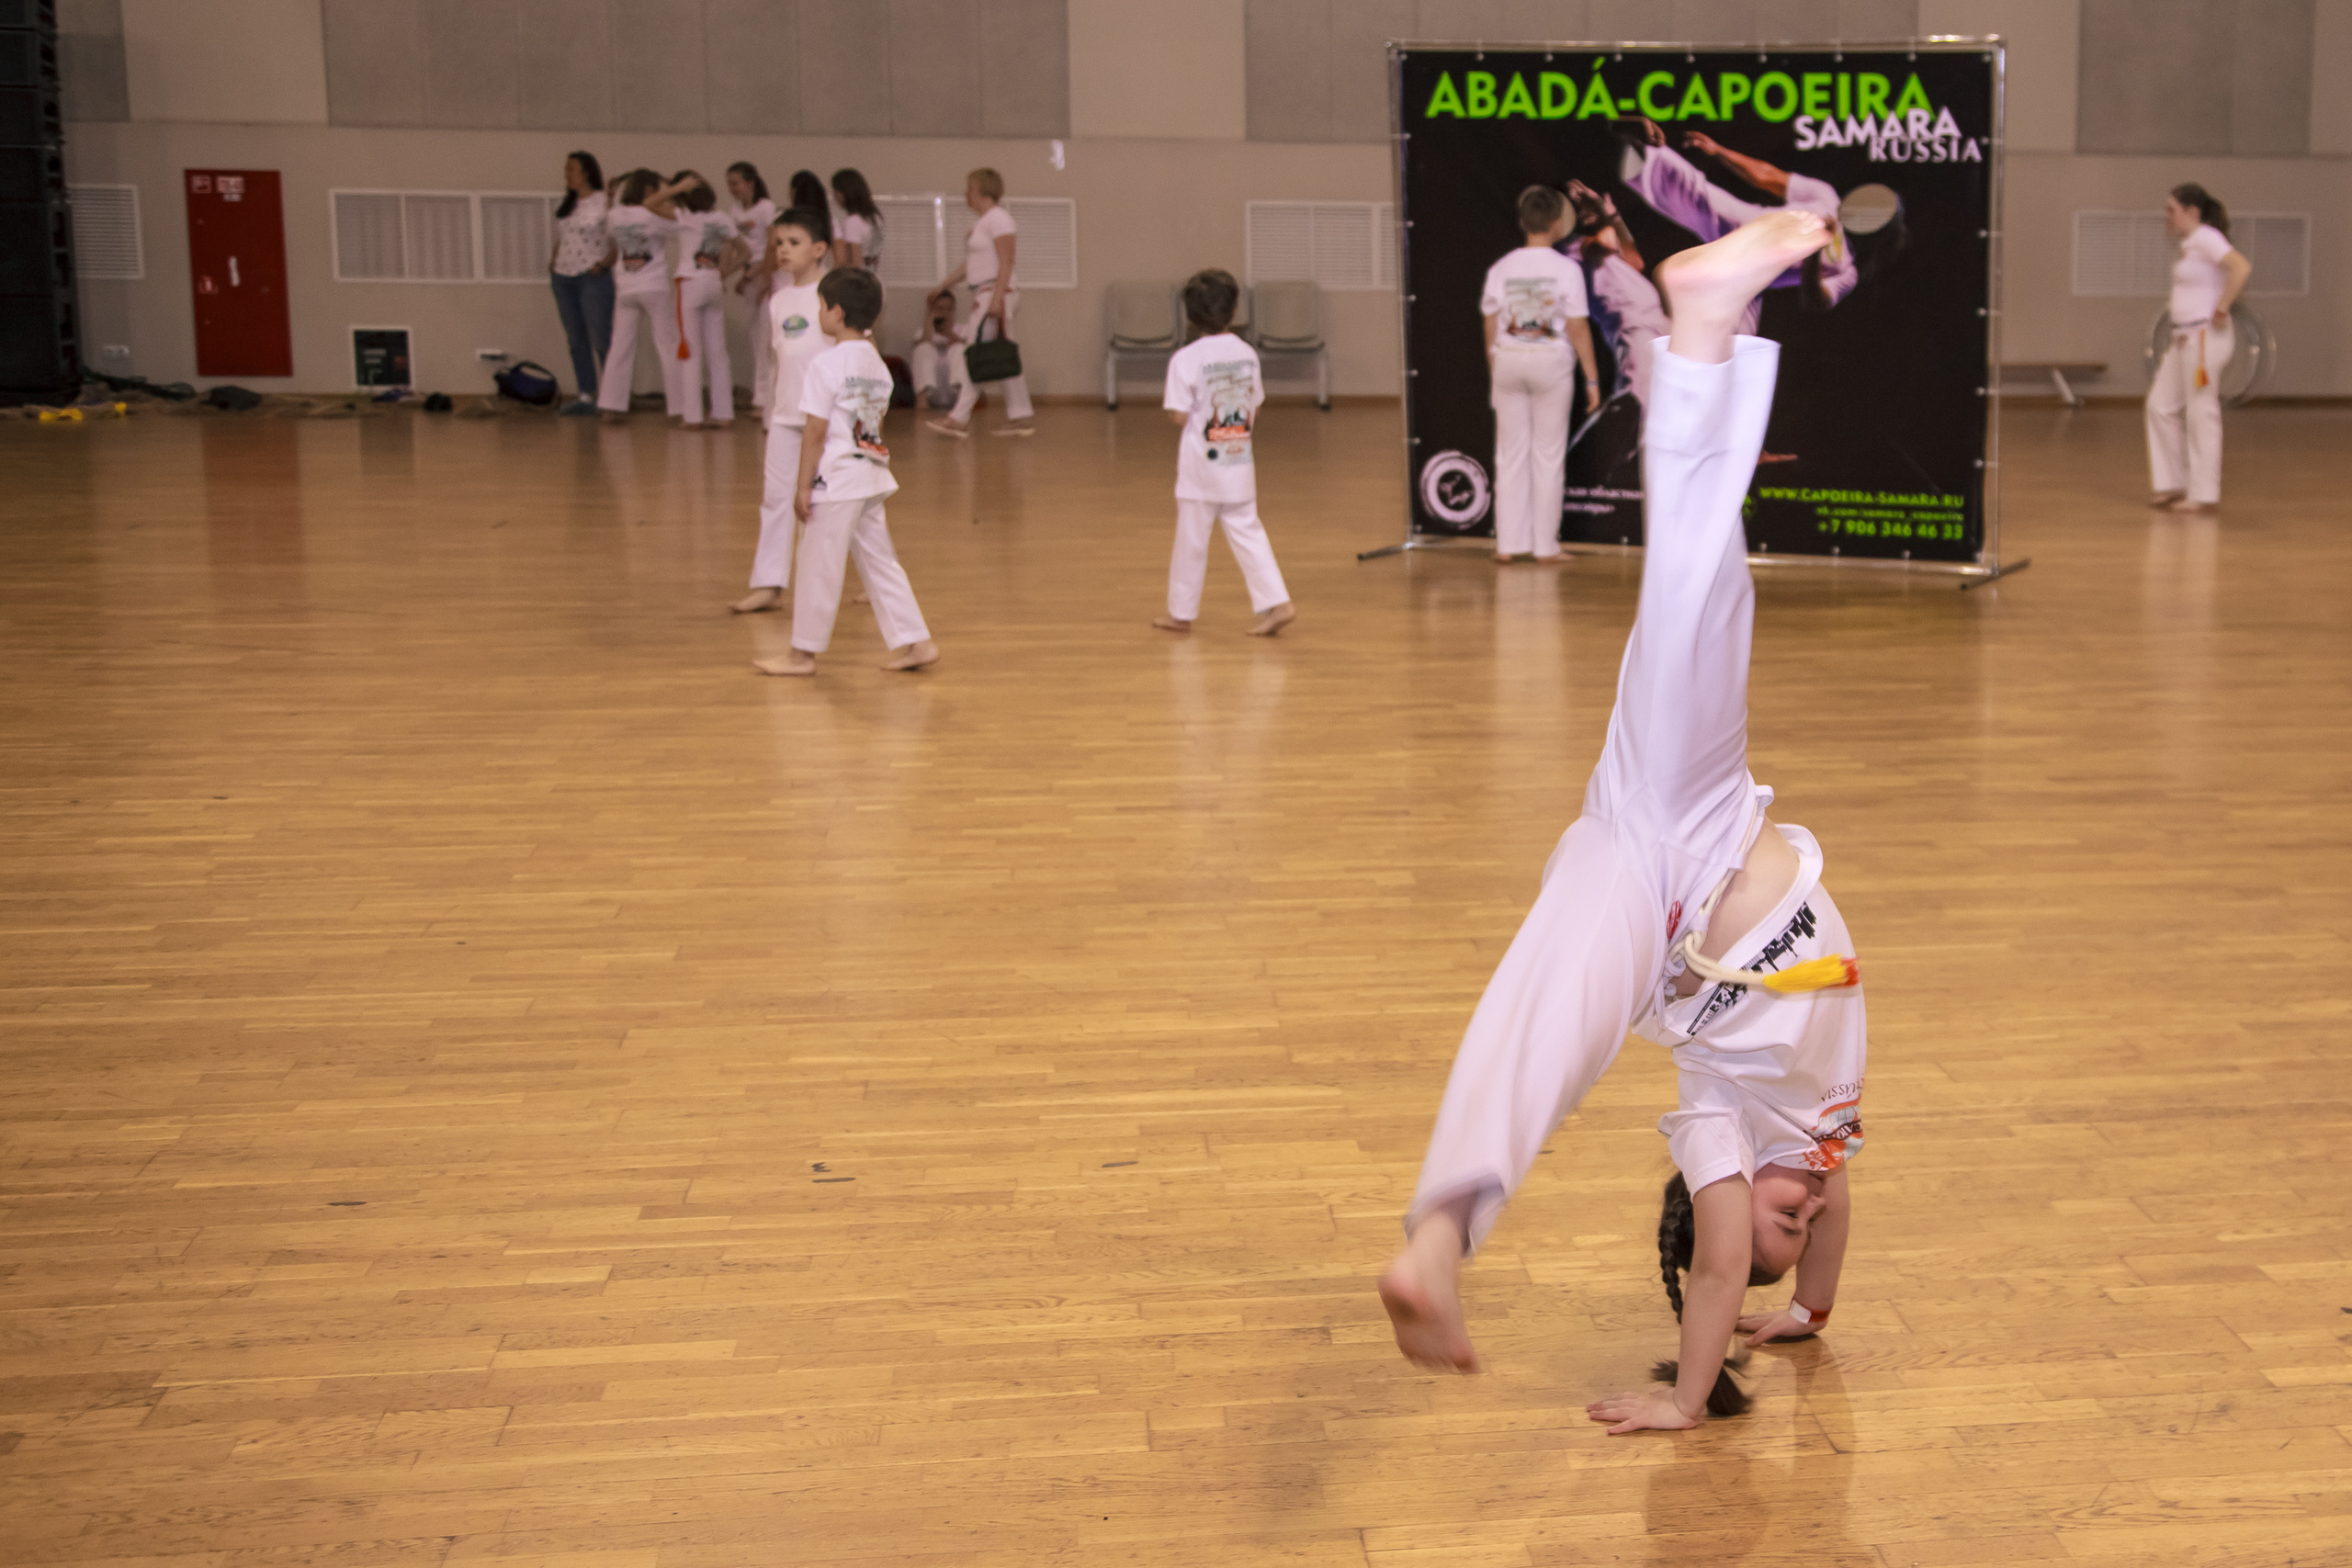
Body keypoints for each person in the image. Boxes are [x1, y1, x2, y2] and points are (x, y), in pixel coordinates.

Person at [1376, 211, 1867, 1435]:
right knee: (1704, 588)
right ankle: (1701, 326)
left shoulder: (1714, 1129)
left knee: (1547, 1013)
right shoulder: (1825, 1142)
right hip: (1709, 818)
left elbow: (1712, 1269)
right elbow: (1827, 1228)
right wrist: (1806, 1310)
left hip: (1652, 875)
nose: (1796, 1216)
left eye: (1777, 1228)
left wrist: (1690, 1401)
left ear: (1713, 1200)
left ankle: (1437, 1234)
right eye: (1795, 1230)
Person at [753, 267, 939, 678]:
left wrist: (803, 485)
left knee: (817, 563)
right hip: (870, 473)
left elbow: (816, 431)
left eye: (820, 306)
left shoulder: (826, 364)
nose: (819, 313)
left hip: (835, 480)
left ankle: (801, 655)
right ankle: (917, 642)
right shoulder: (875, 363)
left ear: (835, 313)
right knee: (880, 562)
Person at [1152, 269, 1295, 638]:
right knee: (1249, 532)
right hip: (1238, 460)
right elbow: (1256, 405)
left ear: (1189, 316)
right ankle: (1279, 603)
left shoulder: (1185, 359)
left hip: (1200, 467)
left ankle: (1180, 614)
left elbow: (1179, 414)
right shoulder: (1247, 354)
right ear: (1234, 312)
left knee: (1191, 540)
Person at [1613, 120, 1860, 331]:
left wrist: (1814, 253)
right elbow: (1767, 176)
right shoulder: (1827, 198)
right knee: (1692, 191)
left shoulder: (1847, 272)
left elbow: (1816, 300)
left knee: (1732, 352)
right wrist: (1719, 151)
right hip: (1747, 225)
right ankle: (1627, 136)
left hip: (1749, 280)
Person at [1482, 185, 1600, 564]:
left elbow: (1489, 323)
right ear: (1556, 224)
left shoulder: (1501, 268)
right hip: (1550, 363)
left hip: (1508, 361)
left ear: (1521, 222)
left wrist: (1494, 367)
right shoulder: (1566, 269)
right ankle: (1545, 546)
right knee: (1547, 455)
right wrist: (1593, 379)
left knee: (1510, 455)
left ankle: (1507, 545)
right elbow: (1579, 327)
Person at [731, 208, 831, 615]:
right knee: (776, 497)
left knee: (836, 501)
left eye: (794, 243)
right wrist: (772, 412)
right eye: (779, 244)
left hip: (828, 418)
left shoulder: (835, 291)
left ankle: (867, 573)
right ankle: (769, 582)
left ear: (819, 249)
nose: (783, 251)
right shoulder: (778, 301)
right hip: (787, 416)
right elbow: (778, 360)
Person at [2147, 184, 2252, 514]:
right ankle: (2172, 482)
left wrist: (2221, 308)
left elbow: (2241, 267)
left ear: (2191, 211)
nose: (2167, 216)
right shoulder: (2191, 244)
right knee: (2159, 406)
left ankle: (2204, 493)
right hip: (2185, 339)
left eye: (2171, 210)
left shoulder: (2207, 237)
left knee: (2200, 412)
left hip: (2205, 340)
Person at [927, 167, 1034, 439]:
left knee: (976, 350)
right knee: (1001, 352)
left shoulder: (999, 219)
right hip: (988, 291)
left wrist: (997, 300)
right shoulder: (987, 221)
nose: (966, 194)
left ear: (981, 190)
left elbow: (1007, 261)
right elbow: (972, 265)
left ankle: (958, 417)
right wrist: (944, 285)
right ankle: (1021, 416)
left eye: (970, 189)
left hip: (995, 292)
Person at [596, 169, 696, 423]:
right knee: (668, 344)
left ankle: (611, 407)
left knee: (620, 346)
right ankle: (679, 407)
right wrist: (674, 191)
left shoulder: (615, 215)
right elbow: (681, 227)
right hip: (652, 286)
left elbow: (607, 233)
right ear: (650, 191)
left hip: (625, 287)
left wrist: (610, 199)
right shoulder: (652, 216)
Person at [1567, 179, 1669, 410]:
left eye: (1582, 198)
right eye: (1575, 202)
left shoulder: (1599, 241)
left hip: (1660, 324)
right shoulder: (1570, 247)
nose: (1583, 206)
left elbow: (1636, 261)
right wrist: (1601, 209)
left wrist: (1615, 217)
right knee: (1639, 409)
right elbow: (1608, 242)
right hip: (1634, 332)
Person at [670, 171, 739, 430]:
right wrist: (724, 272)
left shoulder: (682, 216)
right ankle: (723, 414)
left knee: (690, 350)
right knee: (718, 351)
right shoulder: (721, 217)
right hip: (713, 283)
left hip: (689, 282)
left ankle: (693, 416)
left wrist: (673, 189)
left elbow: (650, 204)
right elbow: (741, 249)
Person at [548, 151, 613, 416]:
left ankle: (611, 395)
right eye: (566, 170)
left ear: (586, 172)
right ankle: (586, 393)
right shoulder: (569, 204)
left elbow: (616, 240)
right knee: (576, 338)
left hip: (592, 274)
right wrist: (553, 263)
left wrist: (603, 264)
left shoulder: (603, 202)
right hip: (564, 275)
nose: (567, 175)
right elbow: (563, 237)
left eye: (572, 170)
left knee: (600, 337)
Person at [725, 163, 778, 413]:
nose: (733, 188)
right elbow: (734, 247)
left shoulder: (766, 208)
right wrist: (732, 274)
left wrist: (761, 275)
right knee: (756, 337)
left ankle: (765, 398)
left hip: (764, 274)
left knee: (767, 338)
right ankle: (760, 396)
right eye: (730, 183)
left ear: (750, 183)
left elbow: (771, 245)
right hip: (748, 275)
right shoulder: (734, 211)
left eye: (736, 182)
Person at [908, 288, 960, 411]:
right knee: (922, 348)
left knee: (959, 348)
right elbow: (920, 345)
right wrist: (930, 319)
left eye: (949, 309)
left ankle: (962, 404)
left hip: (955, 391)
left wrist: (949, 332)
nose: (945, 313)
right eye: (940, 309)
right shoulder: (923, 333)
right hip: (932, 391)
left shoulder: (962, 330)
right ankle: (921, 401)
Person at [831, 168, 884, 271]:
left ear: (842, 193)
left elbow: (855, 263)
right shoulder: (876, 216)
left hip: (861, 281)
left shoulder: (852, 222)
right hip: (876, 278)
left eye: (835, 191)